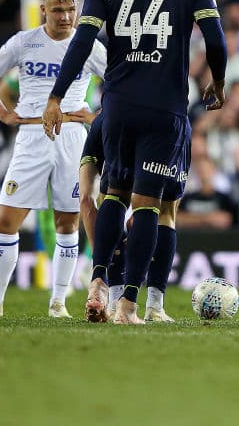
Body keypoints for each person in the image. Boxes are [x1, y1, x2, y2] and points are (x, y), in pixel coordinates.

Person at [43, 0, 228, 325]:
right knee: (150, 205)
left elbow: (81, 43)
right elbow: (215, 40)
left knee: (114, 194)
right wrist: (218, 80)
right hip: (164, 108)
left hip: (118, 106)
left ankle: (98, 281)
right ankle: (129, 305)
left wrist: (56, 96)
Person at [0, 0, 104, 319]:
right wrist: (4, 114)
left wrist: (97, 115)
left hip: (71, 136)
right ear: (43, 10)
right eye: (57, 10)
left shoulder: (89, 46)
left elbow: (120, 81)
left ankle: (59, 303)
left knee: (68, 222)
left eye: (70, 9)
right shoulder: (24, 42)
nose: (65, 17)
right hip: (32, 137)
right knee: (6, 219)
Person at [78, 112, 180, 322]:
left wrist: (101, 258)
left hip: (109, 117)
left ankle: (103, 285)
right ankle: (153, 305)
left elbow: (86, 202)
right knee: (163, 211)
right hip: (162, 116)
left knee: (108, 197)